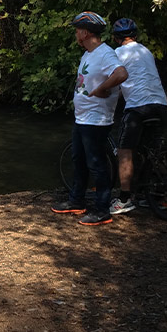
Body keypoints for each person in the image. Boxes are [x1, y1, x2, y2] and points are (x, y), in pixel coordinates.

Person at [51, 12, 128, 226]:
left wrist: (103, 88)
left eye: (77, 31)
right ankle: (76, 201)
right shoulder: (87, 54)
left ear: (85, 33)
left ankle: (103, 211)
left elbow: (121, 74)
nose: (76, 34)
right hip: (82, 119)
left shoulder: (105, 54)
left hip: (97, 120)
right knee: (79, 160)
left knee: (96, 164)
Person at [109, 18, 167, 215]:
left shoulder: (117, 54)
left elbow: (116, 85)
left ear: (116, 38)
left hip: (138, 106)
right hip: (160, 103)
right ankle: (153, 193)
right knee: (152, 149)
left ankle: (125, 199)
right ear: (135, 35)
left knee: (124, 150)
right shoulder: (145, 51)